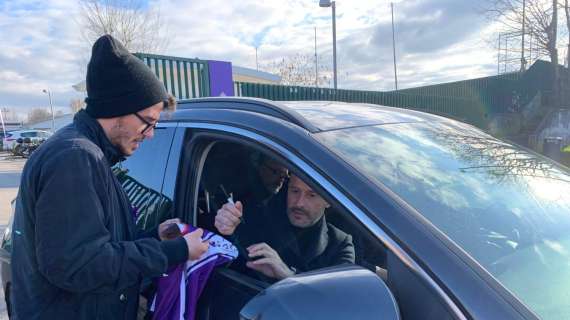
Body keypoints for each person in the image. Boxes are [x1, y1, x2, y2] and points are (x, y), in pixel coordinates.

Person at [10, 35, 209, 320]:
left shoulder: (90, 155)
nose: (151, 134)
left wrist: (156, 237)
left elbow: (99, 244)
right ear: (120, 109)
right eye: (149, 122)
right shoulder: (74, 158)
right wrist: (173, 251)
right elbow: (78, 265)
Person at [215, 174, 355, 281]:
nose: (299, 203)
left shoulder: (341, 244)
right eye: (295, 191)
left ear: (329, 201)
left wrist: (288, 275)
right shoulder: (259, 218)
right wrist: (226, 229)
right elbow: (230, 263)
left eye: (312, 195)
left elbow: (336, 300)